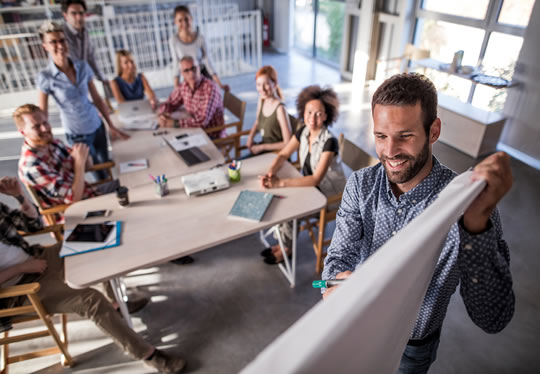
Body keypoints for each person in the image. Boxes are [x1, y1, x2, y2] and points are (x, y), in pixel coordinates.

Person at [321, 73, 514, 374]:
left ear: (433, 130)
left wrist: (476, 228)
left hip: (412, 350)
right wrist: (334, 283)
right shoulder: (360, 185)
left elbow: (494, 318)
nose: (390, 151)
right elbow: (336, 261)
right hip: (357, 329)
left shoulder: (466, 206)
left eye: (405, 136)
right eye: (381, 136)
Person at [0, 176, 187, 374]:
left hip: (36, 257)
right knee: (91, 300)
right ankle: (148, 355)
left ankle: (115, 304)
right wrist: (21, 269)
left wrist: (20, 197)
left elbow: (33, 226)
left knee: (94, 238)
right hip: (18, 291)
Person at [260, 85, 347, 264]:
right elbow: (284, 154)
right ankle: (283, 243)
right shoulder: (303, 132)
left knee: (289, 204)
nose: (312, 118)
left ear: (326, 116)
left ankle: (286, 248)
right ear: (303, 112)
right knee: (281, 198)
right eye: (309, 112)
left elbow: (316, 179)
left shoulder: (329, 142)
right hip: (310, 187)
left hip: (329, 196)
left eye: (318, 114)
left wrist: (280, 183)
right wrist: (271, 171)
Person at [36, 21, 129, 180]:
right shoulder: (45, 77)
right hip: (77, 134)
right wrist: (45, 140)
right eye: (53, 42)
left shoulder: (82, 66)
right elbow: (42, 113)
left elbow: (97, 99)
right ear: (45, 46)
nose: (60, 45)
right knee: (96, 173)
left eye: (62, 40)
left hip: (97, 126)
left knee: (107, 167)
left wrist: (111, 126)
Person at [15, 104, 117, 218]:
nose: (45, 129)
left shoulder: (54, 143)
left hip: (90, 193)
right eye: (36, 127)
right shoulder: (32, 167)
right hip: (77, 214)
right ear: (23, 132)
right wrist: (79, 163)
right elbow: (74, 199)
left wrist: (84, 151)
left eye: (45, 123)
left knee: (132, 185)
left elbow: (87, 166)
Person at [158, 56, 225, 138]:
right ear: (182, 74)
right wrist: (163, 114)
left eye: (193, 68)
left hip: (210, 134)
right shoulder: (184, 85)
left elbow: (202, 121)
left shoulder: (210, 88)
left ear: (199, 68)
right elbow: (170, 103)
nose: (191, 73)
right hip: (194, 129)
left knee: (175, 143)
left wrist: (174, 123)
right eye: (186, 70)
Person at [169, 5, 229, 91]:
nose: (184, 23)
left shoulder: (200, 38)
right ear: (175, 22)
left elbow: (208, 61)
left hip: (203, 76)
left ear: (191, 19)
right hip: (187, 79)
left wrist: (220, 84)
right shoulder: (173, 40)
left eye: (186, 19)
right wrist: (176, 88)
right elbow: (176, 64)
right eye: (180, 20)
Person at [61, 0, 111, 98]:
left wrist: (102, 78)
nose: (79, 17)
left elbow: (90, 57)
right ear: (65, 16)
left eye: (81, 13)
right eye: (74, 14)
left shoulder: (85, 32)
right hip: (68, 83)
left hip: (83, 79)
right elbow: (73, 62)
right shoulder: (62, 35)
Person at [245, 65, 292, 157]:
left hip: (277, 155)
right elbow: (258, 121)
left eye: (266, 84)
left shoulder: (280, 109)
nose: (262, 89)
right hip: (263, 151)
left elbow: (288, 143)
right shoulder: (262, 100)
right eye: (258, 85)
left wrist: (262, 147)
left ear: (275, 84)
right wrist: (250, 137)